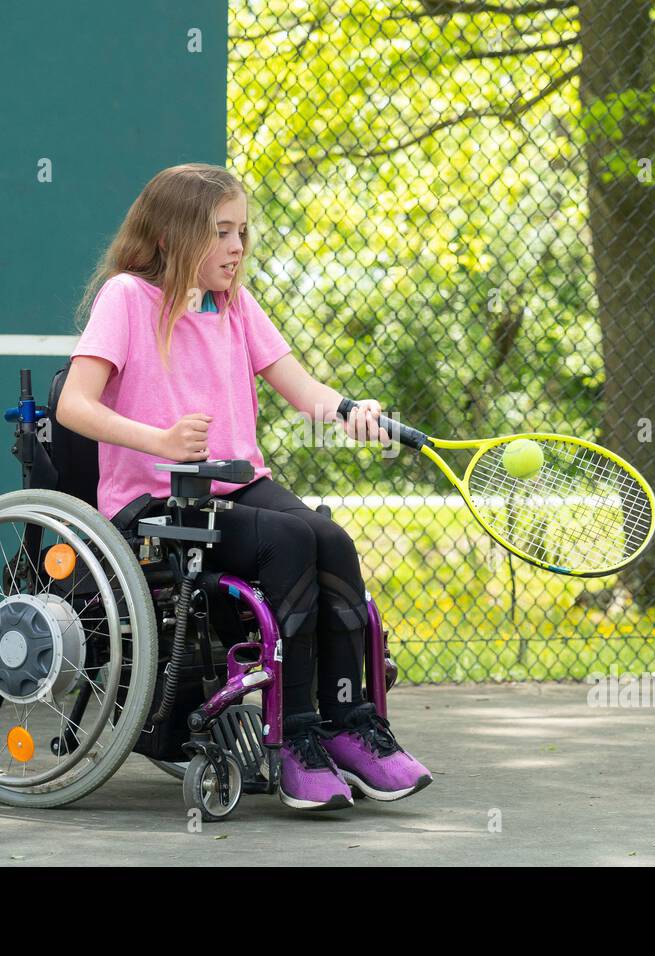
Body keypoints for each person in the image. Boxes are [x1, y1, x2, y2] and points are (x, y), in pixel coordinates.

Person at [57, 162, 431, 811]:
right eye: (222, 233)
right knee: (289, 542)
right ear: (173, 237)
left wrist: (350, 412)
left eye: (242, 232)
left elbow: (303, 388)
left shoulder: (235, 306)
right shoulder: (126, 298)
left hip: (235, 484)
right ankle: (295, 739)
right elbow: (75, 406)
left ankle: (351, 725)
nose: (237, 247)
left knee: (331, 540)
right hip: (157, 502)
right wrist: (160, 440)